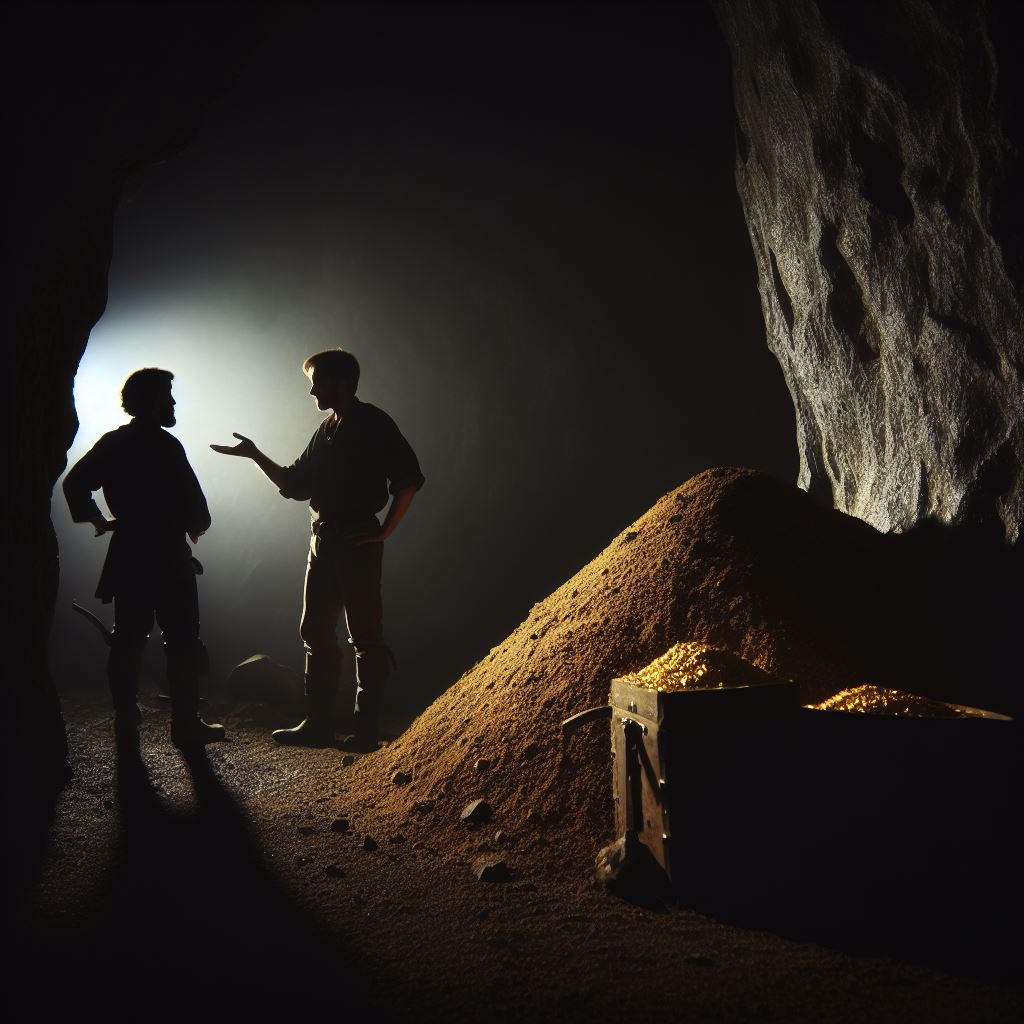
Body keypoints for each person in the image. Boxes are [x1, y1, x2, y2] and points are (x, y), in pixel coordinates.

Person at [211, 349, 424, 751]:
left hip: (355, 539)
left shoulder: (374, 422)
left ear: (339, 382)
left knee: (364, 633)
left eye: (317, 381)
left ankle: (364, 730)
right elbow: (295, 485)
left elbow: (409, 479)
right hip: (322, 541)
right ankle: (319, 725)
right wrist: (255, 454)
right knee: (316, 632)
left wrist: (383, 534)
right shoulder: (326, 430)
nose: (312, 390)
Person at [63, 368, 225, 749]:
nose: (172, 403)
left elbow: (74, 484)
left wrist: (98, 518)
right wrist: (193, 524)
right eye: (168, 396)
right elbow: (199, 512)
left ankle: (125, 716)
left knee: (127, 639)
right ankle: (185, 726)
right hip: (168, 557)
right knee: (183, 641)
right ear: (154, 402)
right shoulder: (168, 446)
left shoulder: (113, 443)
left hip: (129, 553)